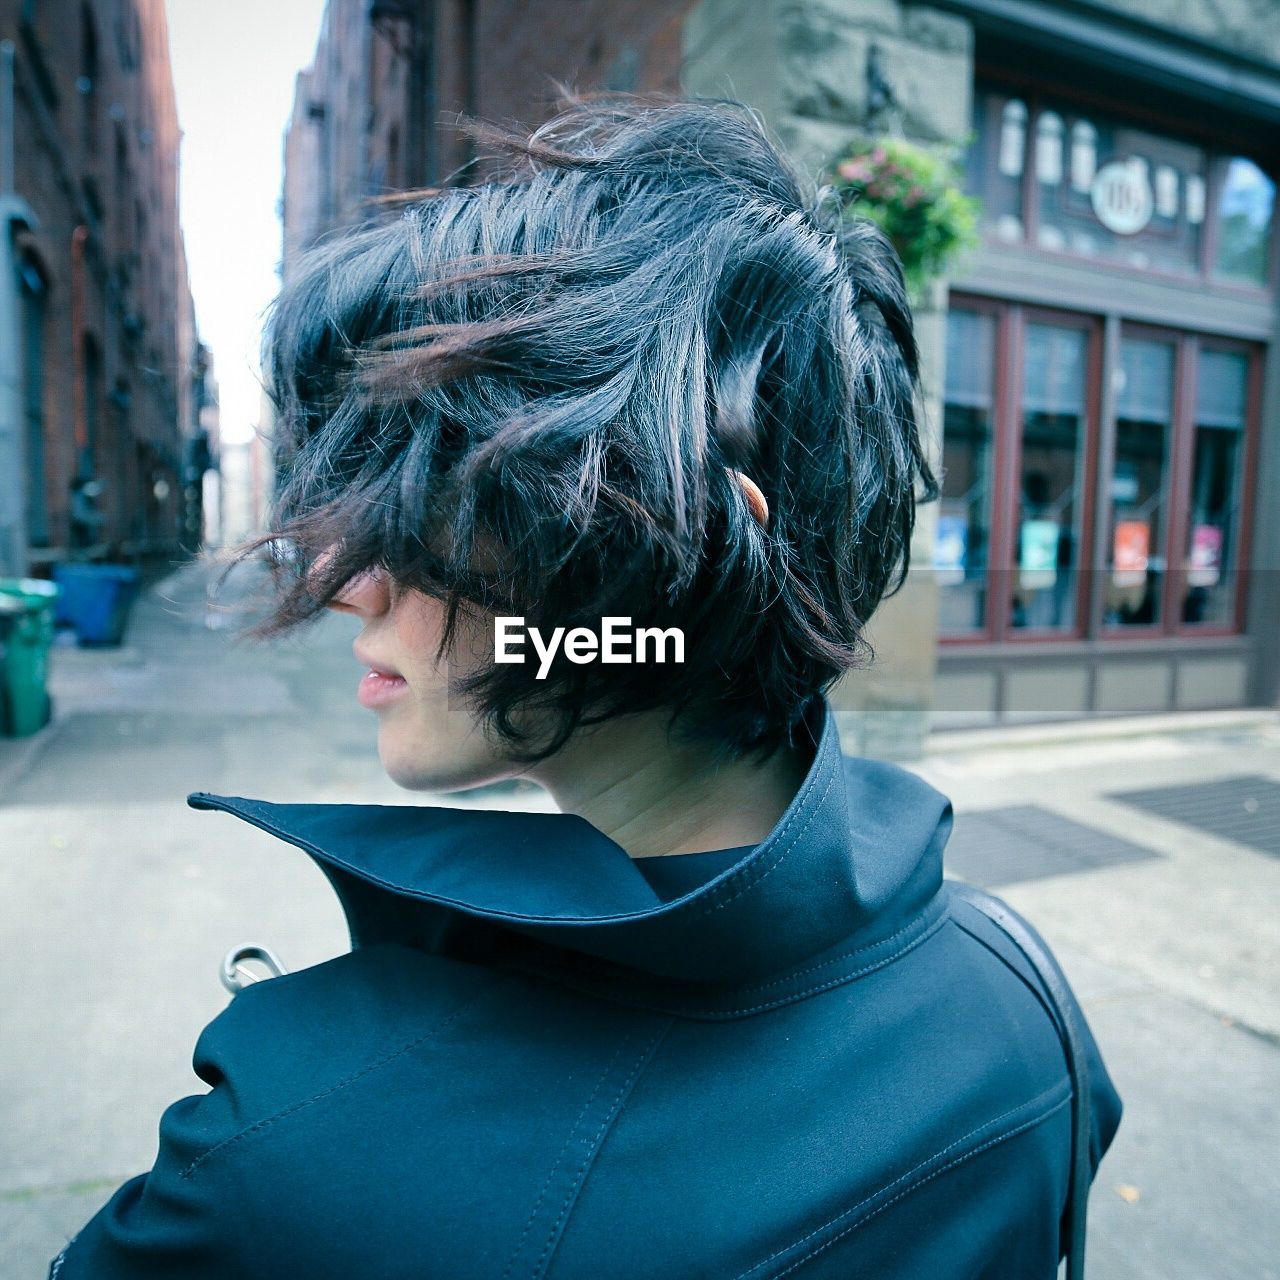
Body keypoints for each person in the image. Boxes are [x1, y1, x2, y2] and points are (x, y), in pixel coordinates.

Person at [52, 96, 1120, 1279]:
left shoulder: (299, 1160)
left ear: (676, 554)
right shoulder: (1019, 993)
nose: (341, 582)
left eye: (418, 512)